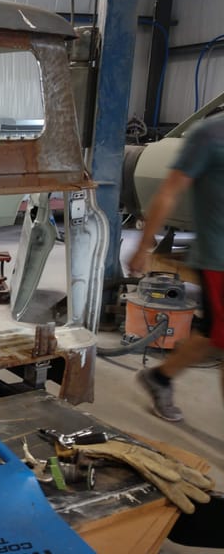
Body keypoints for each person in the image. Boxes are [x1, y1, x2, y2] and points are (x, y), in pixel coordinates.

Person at [128, 112, 224, 422]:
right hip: (218, 260)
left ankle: (160, 378)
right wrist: (144, 245)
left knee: (211, 336)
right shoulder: (210, 134)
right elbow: (168, 191)